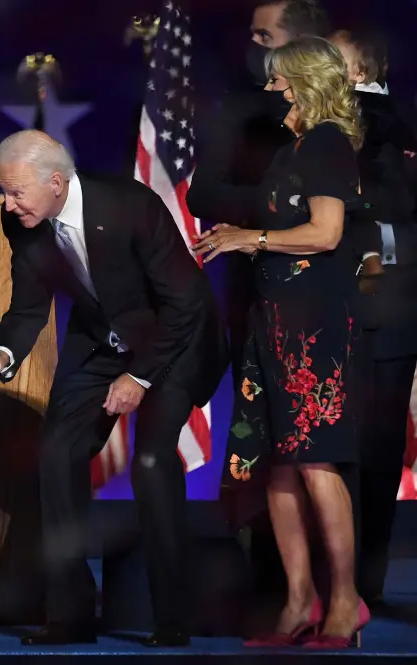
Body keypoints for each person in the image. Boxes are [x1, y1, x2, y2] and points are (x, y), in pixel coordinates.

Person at [0, 130, 228, 647]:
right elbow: (30, 304)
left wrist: (139, 376)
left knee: (151, 462)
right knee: (56, 453)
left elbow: (185, 303)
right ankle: (72, 614)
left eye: (16, 192)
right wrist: (3, 353)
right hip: (101, 345)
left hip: (172, 343)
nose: (9, 205)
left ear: (56, 183)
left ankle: (171, 618)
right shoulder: (27, 224)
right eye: (4, 191)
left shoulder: (129, 206)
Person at [193, 36, 370, 649]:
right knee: (278, 463)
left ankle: (346, 600)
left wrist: (254, 239)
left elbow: (325, 233)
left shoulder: (325, 144)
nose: (272, 91)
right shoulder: (294, 147)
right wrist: (240, 232)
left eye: (279, 81)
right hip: (271, 318)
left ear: (302, 81)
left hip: (312, 322)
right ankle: (299, 600)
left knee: (316, 457)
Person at [186, 0, 331, 607]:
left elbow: (344, 219)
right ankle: (279, 591)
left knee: (320, 452)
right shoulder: (241, 112)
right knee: (263, 448)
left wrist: (272, 216)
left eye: (266, 36)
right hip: (259, 298)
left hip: (328, 304)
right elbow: (203, 191)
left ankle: (335, 591)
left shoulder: (338, 128)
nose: (255, 47)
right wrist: (271, 213)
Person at [330, 28, 417, 610]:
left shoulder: (389, 124)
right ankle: (330, 582)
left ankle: (366, 584)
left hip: (394, 307)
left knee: (381, 450)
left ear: (361, 68)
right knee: (330, 446)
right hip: (329, 309)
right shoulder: (321, 127)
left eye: (333, 62)